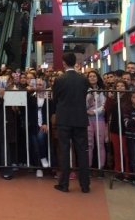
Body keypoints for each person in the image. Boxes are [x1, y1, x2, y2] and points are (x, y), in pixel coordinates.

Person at [53, 52, 90, 193]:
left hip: (64, 118)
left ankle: (64, 184)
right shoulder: (83, 80)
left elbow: (55, 98)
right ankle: (85, 185)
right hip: (80, 118)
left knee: (64, 151)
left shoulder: (60, 79)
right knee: (82, 151)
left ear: (63, 63)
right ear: (75, 62)